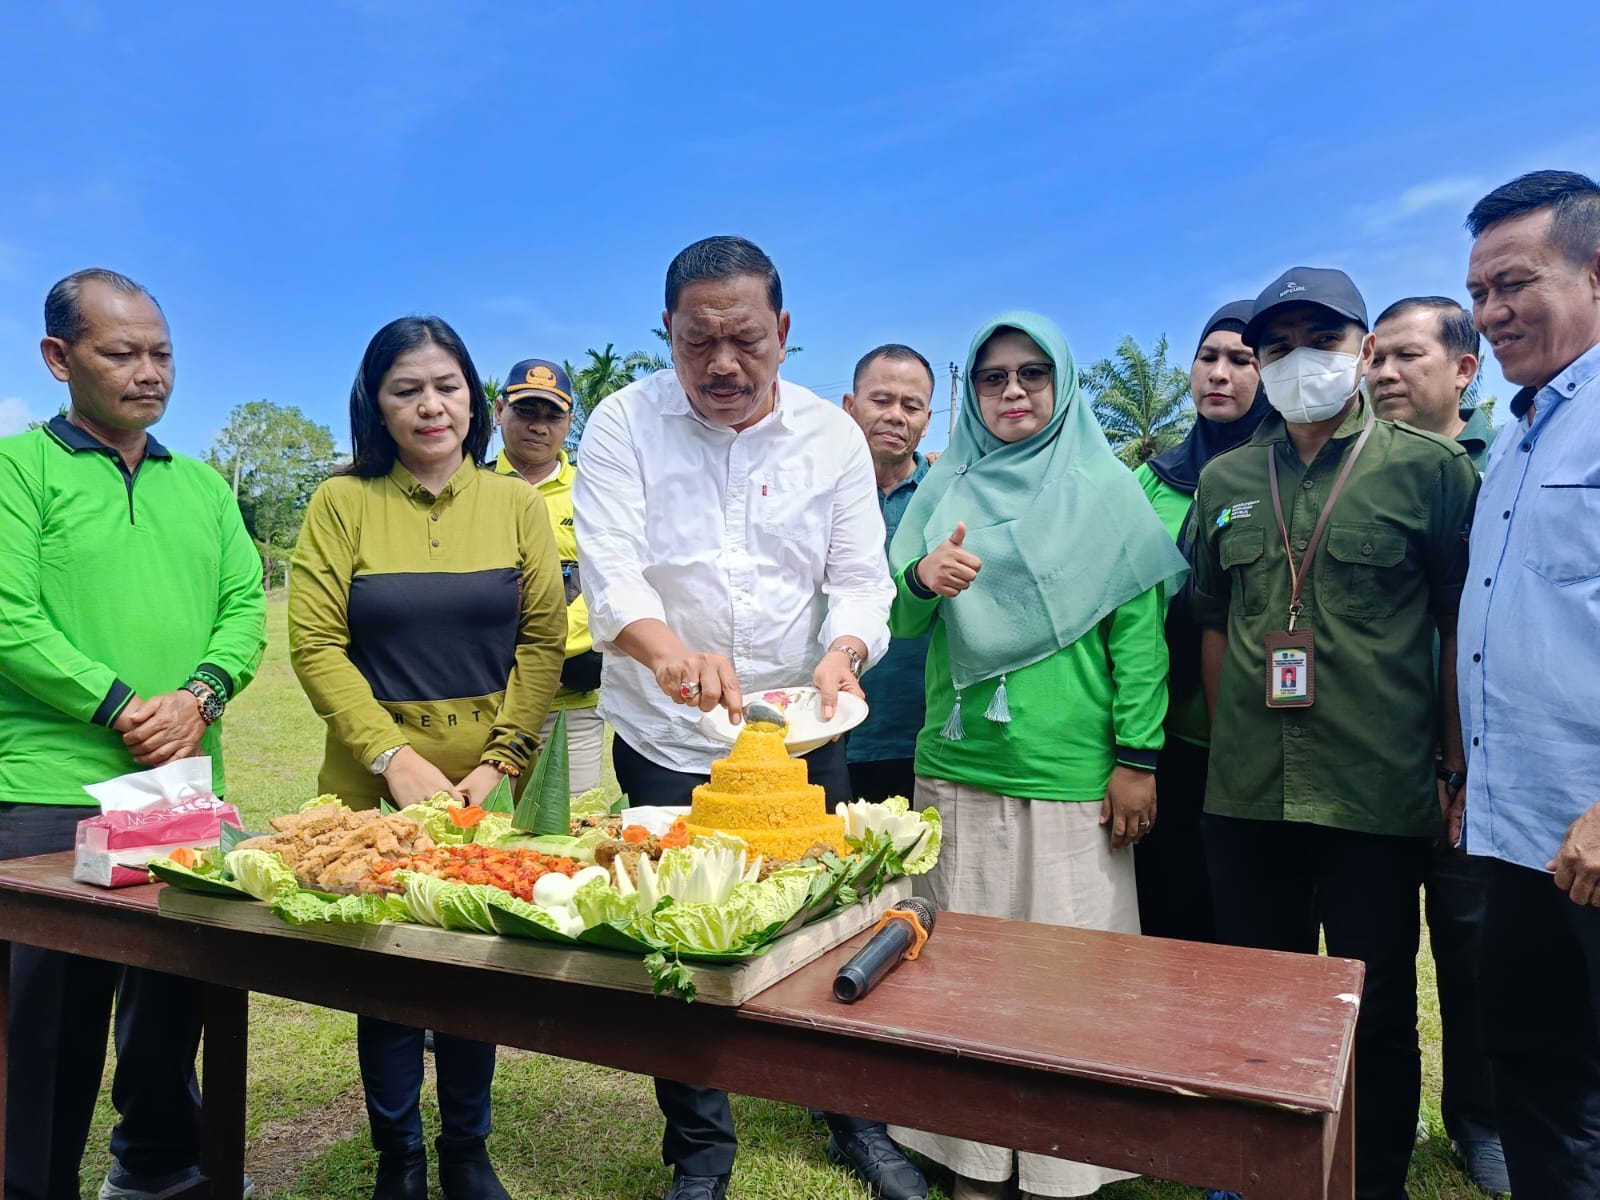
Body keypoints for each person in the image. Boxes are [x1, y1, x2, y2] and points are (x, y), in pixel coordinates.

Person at [574, 236, 924, 1200]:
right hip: (667, 728)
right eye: (697, 343)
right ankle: (699, 1148)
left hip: (801, 727)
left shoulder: (831, 436)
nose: (722, 366)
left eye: (744, 340)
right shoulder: (620, 424)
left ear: (784, 331)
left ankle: (853, 1113)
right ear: (669, 335)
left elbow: (860, 578)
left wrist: (843, 653)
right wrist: (669, 655)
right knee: (680, 932)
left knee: (834, 913)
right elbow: (610, 574)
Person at [1190, 267, 1480, 1200]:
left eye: (1320, 340)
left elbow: (1453, 629)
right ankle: (1262, 1172)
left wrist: (1453, 764)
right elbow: (1210, 622)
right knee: (1258, 994)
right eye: (1277, 347)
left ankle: (1374, 1177)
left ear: (1361, 348)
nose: (1296, 362)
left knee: (1381, 1002)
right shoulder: (1229, 479)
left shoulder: (1430, 472)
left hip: (1376, 788)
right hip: (1248, 791)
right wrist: (1233, 738)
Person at [885, 311, 1186, 1200]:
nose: (1012, 392)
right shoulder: (947, 491)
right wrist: (920, 578)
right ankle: (974, 1162)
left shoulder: (1107, 491)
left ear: (1060, 383)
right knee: (962, 982)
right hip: (959, 767)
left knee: (1071, 989)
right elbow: (900, 623)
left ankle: (1065, 1166)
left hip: (1072, 779)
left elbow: (1141, 641)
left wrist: (1138, 759)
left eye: (1030, 374)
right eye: (991, 378)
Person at [0, 268, 267, 1200]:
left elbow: (244, 611)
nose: (149, 371)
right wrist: (118, 704)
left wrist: (199, 693)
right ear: (57, 358)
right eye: (122, 353)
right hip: (50, 784)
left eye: (161, 353)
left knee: (172, 999)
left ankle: (157, 1170)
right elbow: (8, 618)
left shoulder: (200, 487)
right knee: (48, 1021)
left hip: (181, 784)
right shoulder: (15, 471)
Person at [289, 316, 566, 1200]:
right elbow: (315, 642)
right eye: (405, 389)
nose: (429, 405)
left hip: (487, 787)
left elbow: (542, 644)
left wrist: (500, 763)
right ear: (377, 404)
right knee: (389, 969)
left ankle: (466, 1150)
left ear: (473, 398)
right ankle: (398, 1155)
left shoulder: (515, 503)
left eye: (445, 385)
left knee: (473, 964)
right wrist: (392, 758)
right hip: (374, 790)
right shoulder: (341, 502)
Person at [1457, 169, 1600, 1199]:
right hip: (1518, 835)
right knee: (1539, 1080)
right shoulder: (1518, 436)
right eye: (1480, 292)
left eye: (1515, 282)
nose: (1492, 312)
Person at [1369, 295, 1507, 1193]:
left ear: (1465, 368)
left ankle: (1482, 1119)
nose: (1382, 373)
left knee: (1474, 948)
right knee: (1374, 956)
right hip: (1376, 756)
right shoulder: (1352, 468)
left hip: (1481, 763)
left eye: (1405, 357)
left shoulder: (1508, 463)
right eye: (1373, 358)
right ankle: (1373, 1113)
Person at [1132, 300, 1270, 943]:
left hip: (1260, 739)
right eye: (1208, 358)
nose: (1221, 373)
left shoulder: (1285, 474)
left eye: (1241, 360)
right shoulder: (1150, 483)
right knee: (1166, 908)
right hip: (1163, 735)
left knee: (1249, 922)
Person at [494, 357, 604, 793]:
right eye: (526, 411)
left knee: (569, 833)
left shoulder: (593, 493)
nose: (539, 426)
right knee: (479, 833)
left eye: (552, 415)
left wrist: (544, 660)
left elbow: (608, 585)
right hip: (487, 701)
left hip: (570, 704)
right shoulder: (469, 489)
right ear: (500, 411)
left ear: (569, 421)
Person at [841, 343, 936, 803]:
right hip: (828, 732)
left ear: (926, 421)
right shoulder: (814, 494)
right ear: (849, 407)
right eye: (881, 400)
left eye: (911, 405)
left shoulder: (948, 498)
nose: (896, 416)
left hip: (922, 736)